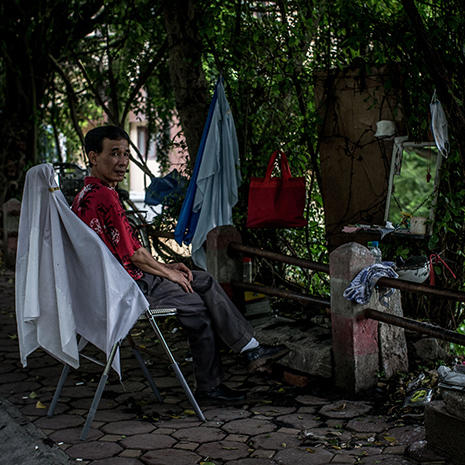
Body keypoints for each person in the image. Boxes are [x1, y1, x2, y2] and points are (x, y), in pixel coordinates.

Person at [72, 125, 287, 402]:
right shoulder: (104, 196)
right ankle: (211, 387)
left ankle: (251, 348)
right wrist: (168, 275)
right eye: (114, 154)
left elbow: (131, 248)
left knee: (204, 279)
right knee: (197, 305)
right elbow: (134, 255)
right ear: (92, 156)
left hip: (123, 278)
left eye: (125, 154)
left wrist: (168, 268)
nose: (123, 161)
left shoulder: (85, 194)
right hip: (127, 288)